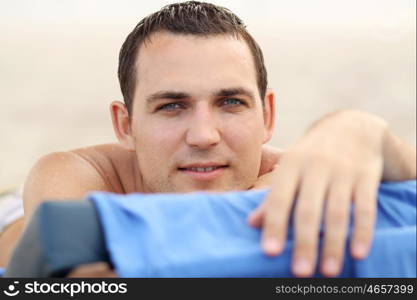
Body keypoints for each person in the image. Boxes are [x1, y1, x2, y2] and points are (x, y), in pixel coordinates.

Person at [0, 1, 415, 278]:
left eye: (231, 102)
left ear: (267, 115)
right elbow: (77, 265)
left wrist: (363, 129)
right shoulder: (75, 175)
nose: (203, 135)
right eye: (171, 106)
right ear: (124, 125)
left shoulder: (291, 172)